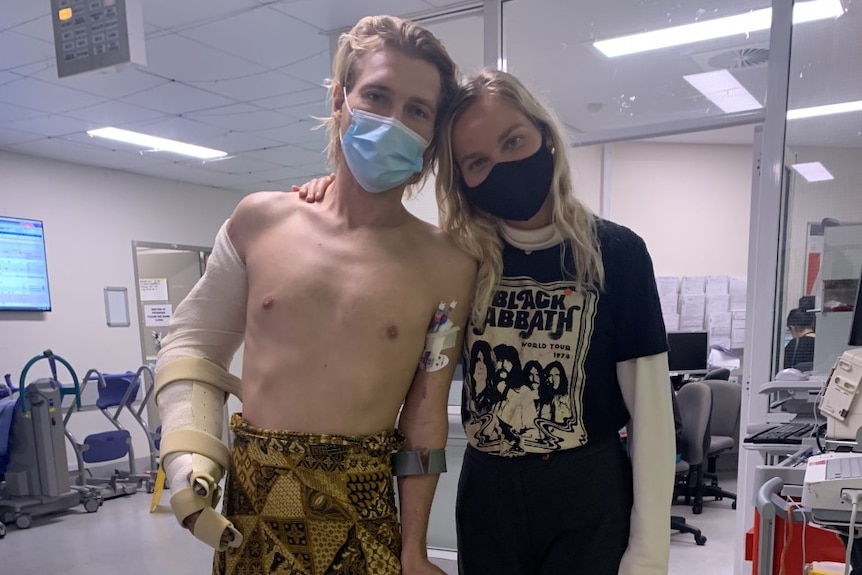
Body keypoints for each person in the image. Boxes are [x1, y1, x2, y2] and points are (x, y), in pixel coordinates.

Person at [298, 68, 676, 575]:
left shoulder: (616, 253)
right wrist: (332, 193)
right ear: (464, 181)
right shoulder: (458, 258)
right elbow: (418, 397)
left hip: (587, 488)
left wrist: (649, 554)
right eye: (478, 162)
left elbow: (651, 414)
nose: (502, 166)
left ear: (545, 137)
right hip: (488, 493)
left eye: (514, 141)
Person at [154, 15, 476, 575]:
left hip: (363, 514)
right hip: (253, 515)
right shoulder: (261, 222)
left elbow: (424, 418)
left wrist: (414, 549)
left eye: (417, 110)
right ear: (339, 100)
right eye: (376, 95)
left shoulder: (448, 266)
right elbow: (193, 344)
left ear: (430, 138)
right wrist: (188, 455)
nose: (392, 121)